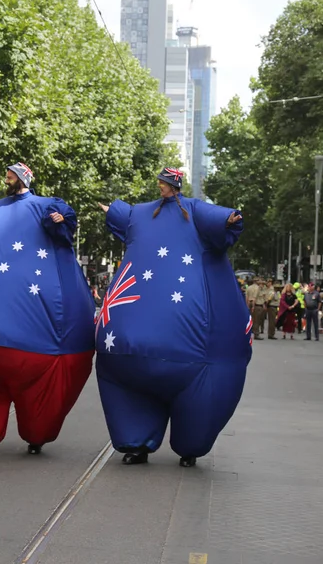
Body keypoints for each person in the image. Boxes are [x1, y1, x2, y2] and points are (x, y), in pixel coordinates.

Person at [96, 166, 252, 468]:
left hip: (194, 354)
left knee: (200, 405)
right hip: (128, 351)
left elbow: (218, 220)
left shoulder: (194, 213)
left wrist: (229, 218)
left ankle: (189, 445)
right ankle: (137, 442)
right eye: (159, 182)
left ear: (175, 185)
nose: (160, 187)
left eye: (165, 183)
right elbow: (123, 216)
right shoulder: (142, 214)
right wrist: (109, 209)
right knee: (130, 390)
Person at [0, 162, 95, 458]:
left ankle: (4, 433)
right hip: (29, 342)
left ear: (23, 178)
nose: (6, 178)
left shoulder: (43, 209)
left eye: (11, 175)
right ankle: (25, 434)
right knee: (39, 410)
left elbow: (61, 225)